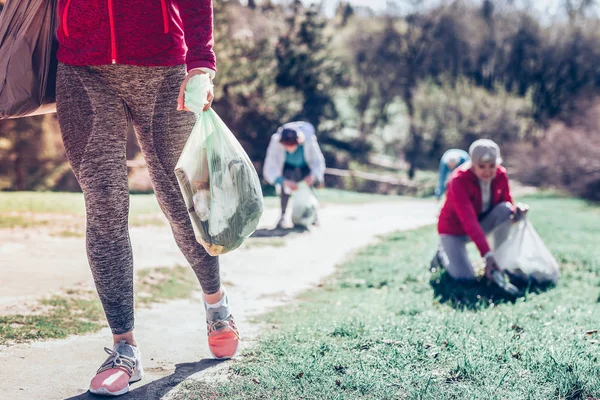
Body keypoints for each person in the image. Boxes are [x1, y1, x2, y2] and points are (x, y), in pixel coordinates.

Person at [54, 0, 238, 396]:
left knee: (180, 202)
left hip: (164, 68)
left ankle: (216, 305)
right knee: (104, 206)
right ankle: (124, 348)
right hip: (82, 66)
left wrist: (202, 61)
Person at [431, 139, 529, 281]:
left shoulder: (501, 175)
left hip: (481, 223)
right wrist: (486, 255)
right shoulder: (458, 180)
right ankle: (442, 254)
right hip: (453, 230)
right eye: (481, 166)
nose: (487, 171)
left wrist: (517, 212)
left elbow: (506, 205)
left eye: (492, 166)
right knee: (465, 278)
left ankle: (500, 261)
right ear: (472, 164)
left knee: (506, 210)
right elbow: (468, 220)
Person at [263, 121, 326, 228]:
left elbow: (318, 161)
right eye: (287, 145)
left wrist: (313, 176)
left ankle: (312, 214)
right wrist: (283, 181)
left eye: (292, 144)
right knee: (285, 188)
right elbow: (269, 167)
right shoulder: (276, 142)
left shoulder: (309, 139)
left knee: (309, 187)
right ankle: (282, 216)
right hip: (288, 167)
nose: (290, 148)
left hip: (305, 166)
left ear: (299, 141)